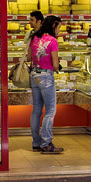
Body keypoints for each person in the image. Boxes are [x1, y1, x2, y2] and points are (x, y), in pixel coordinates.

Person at [28, 15, 63, 154]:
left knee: (37, 109)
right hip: (46, 77)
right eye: (59, 27)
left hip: (34, 75)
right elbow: (55, 65)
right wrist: (58, 66)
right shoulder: (53, 41)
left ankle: (36, 142)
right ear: (54, 25)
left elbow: (30, 58)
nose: (59, 30)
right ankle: (47, 142)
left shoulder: (35, 37)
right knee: (50, 111)